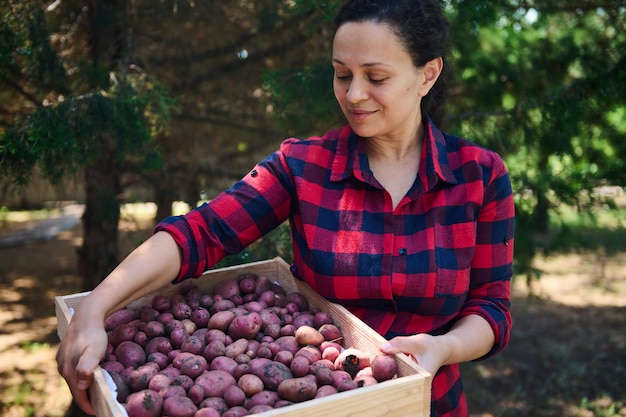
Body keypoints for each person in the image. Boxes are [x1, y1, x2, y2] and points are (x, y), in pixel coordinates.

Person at [56, 0, 514, 416]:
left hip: (430, 404)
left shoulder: (481, 176)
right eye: (341, 74)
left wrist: (443, 347)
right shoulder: (301, 165)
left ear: (427, 75)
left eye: (376, 78)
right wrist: (94, 309)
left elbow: (491, 308)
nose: (353, 94)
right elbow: (202, 232)